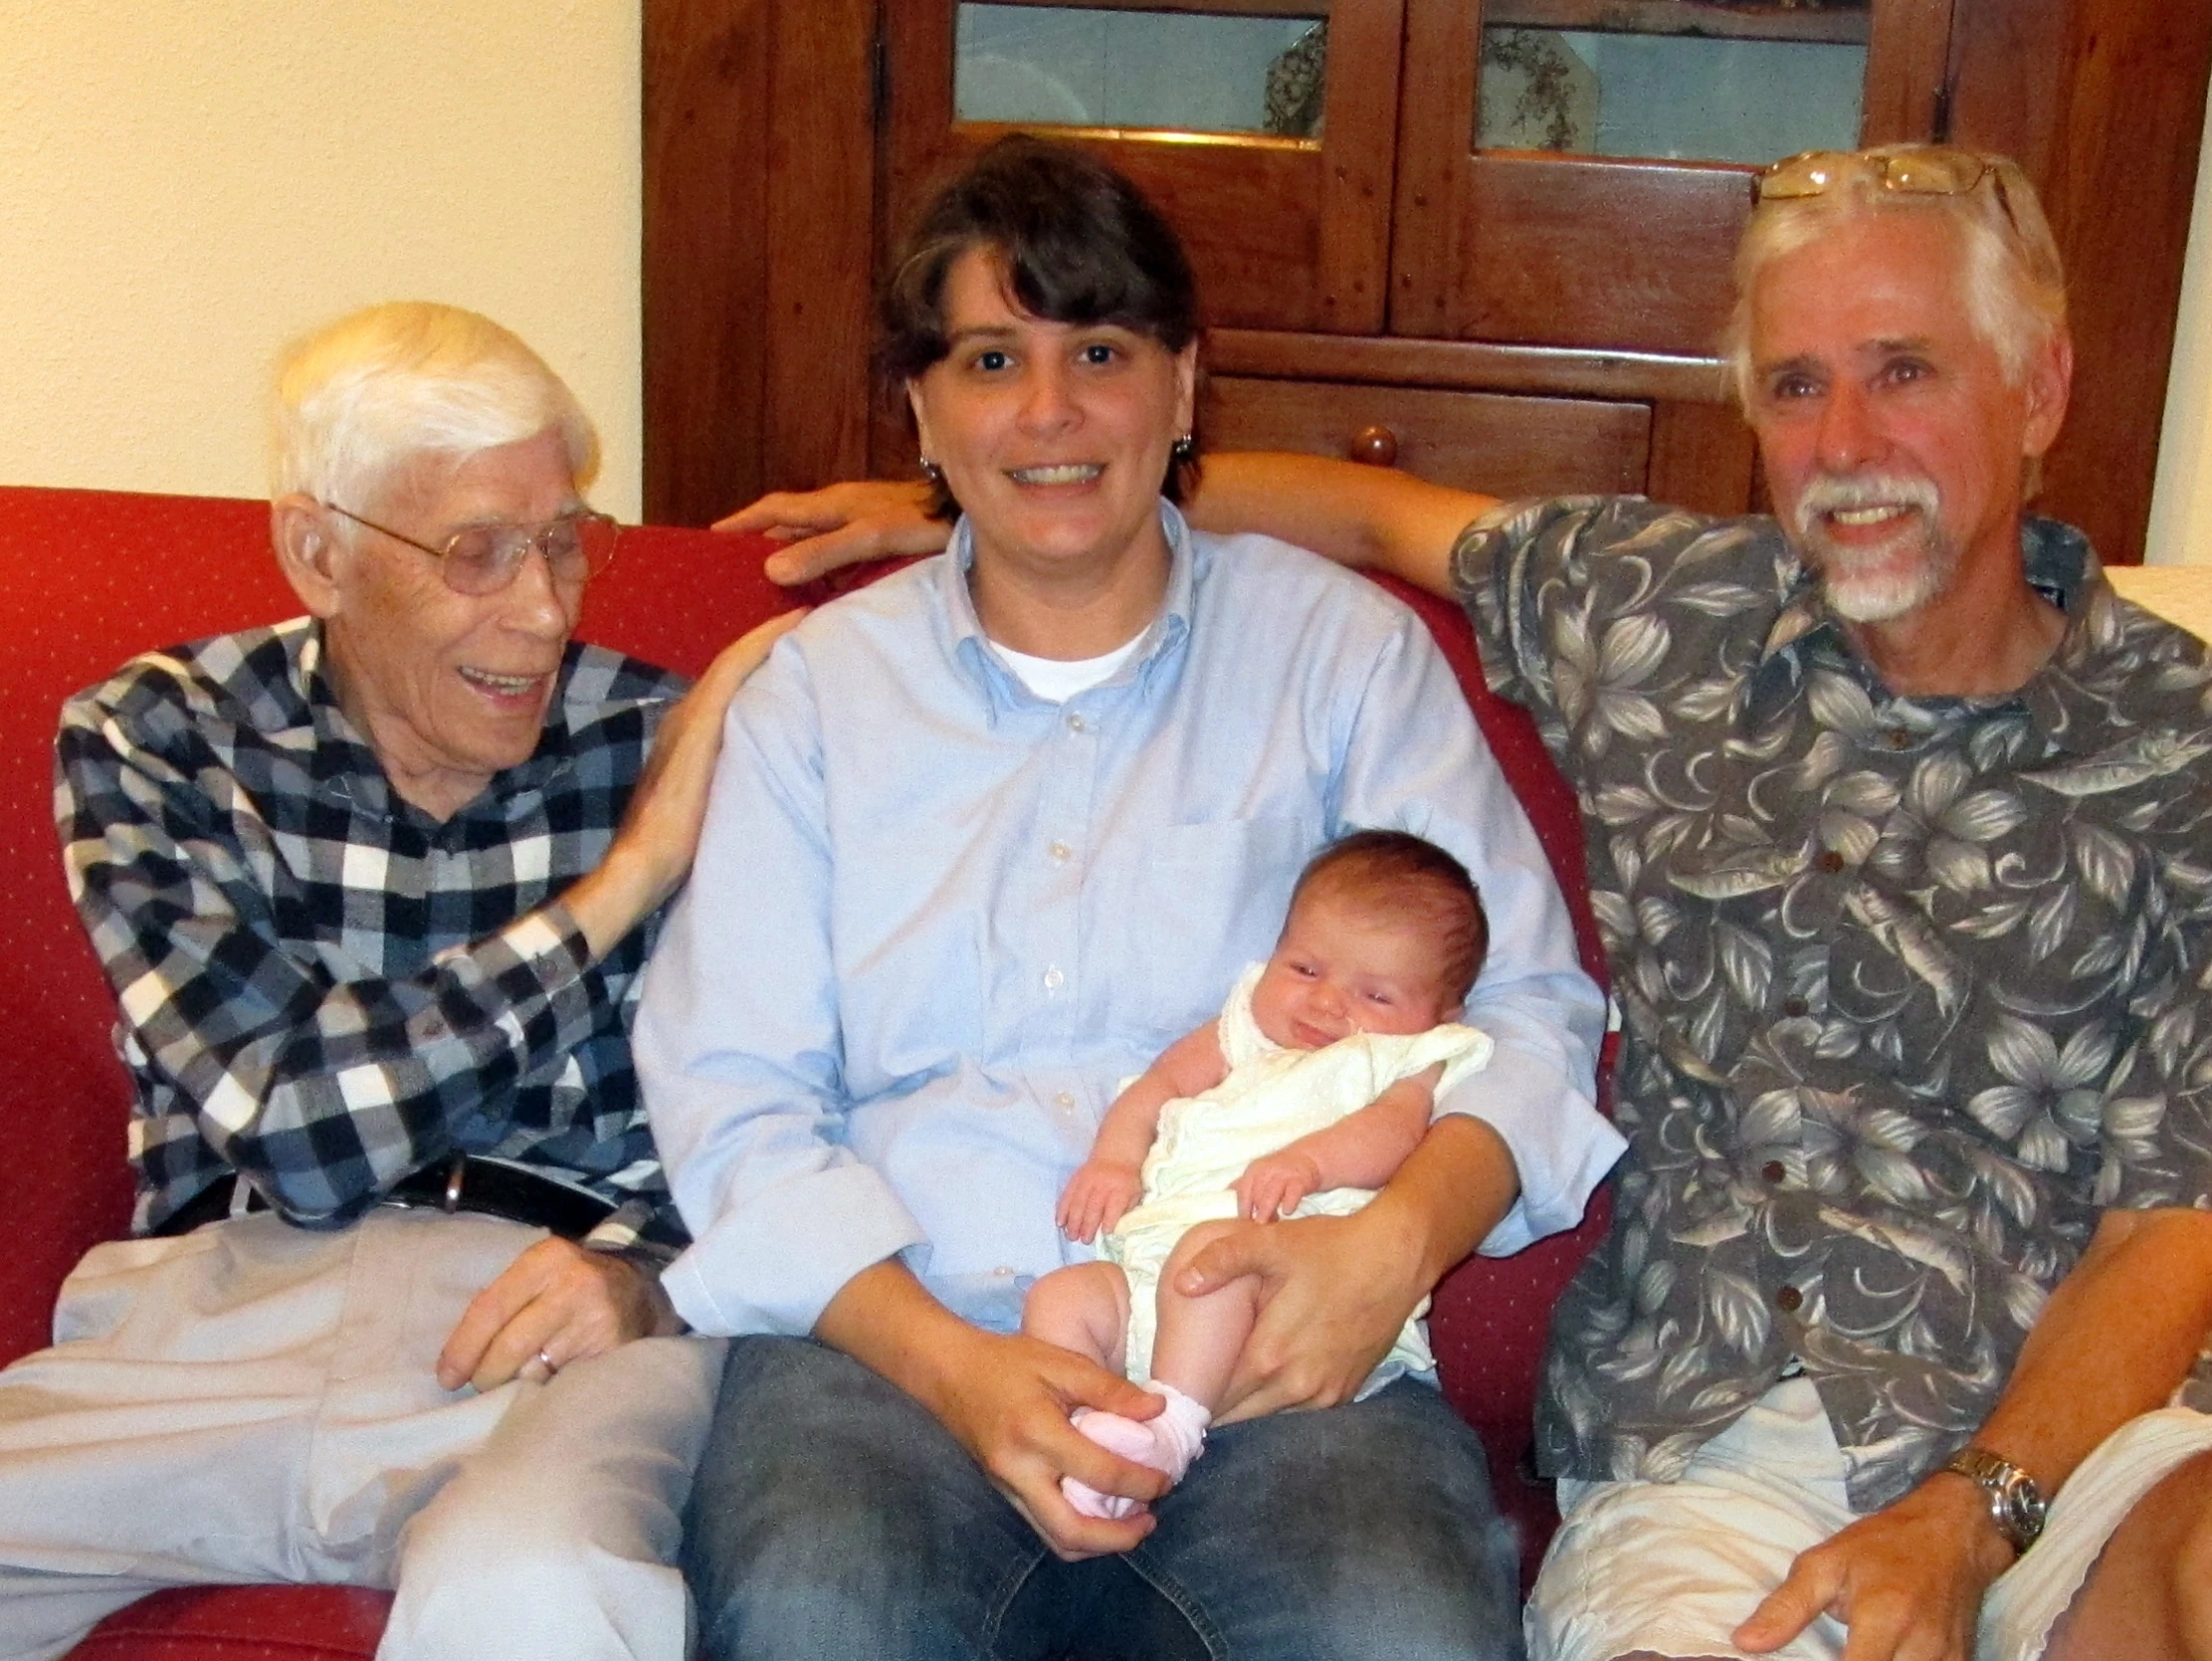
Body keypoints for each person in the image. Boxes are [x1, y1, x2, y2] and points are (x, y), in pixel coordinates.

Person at [725, 144, 2212, 1661]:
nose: (1843, 440)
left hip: (2060, 1431)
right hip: (1690, 1428)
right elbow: (1375, 512)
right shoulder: (1655, 608)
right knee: (818, 1608)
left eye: (1904, 371)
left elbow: (2179, 1215)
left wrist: (1975, 1506)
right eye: (1793, 384)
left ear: (2037, 390)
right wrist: (1013, 493)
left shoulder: (2184, 746)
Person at [635, 134, 1617, 1661]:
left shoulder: (1339, 659)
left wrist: (1391, 1245)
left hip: (1279, 1344)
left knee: (1395, 1637)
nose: (1047, 411)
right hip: (901, 1337)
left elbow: (1533, 1012)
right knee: (822, 1618)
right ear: (922, 407)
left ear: (1180, 387)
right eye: (987, 357)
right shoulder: (816, 697)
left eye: (1098, 348)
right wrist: (958, 1365)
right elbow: (732, 1090)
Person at [0, 302, 799, 1661]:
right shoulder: (158, 736)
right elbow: (298, 1128)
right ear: (319, 551)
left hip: (556, 1317)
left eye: (562, 541)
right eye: (477, 552)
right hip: (216, 1305)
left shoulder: (684, 736)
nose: (543, 611)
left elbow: (788, 1093)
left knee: (533, 1588)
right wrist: (621, 886)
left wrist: (651, 1276)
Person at [1028, 829, 1497, 1520]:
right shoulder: (1245, 1027)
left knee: (1209, 1261)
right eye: (1305, 969)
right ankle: (1083, 1438)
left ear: (1438, 1015)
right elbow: (1159, 1083)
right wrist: (1116, 1157)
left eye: (1374, 993)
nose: (1327, 1003)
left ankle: (1173, 1433)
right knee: (1064, 1295)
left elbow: (1396, 1131)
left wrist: (1310, 1162)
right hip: (1150, 1271)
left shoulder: (1402, 1058)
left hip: (1277, 1293)